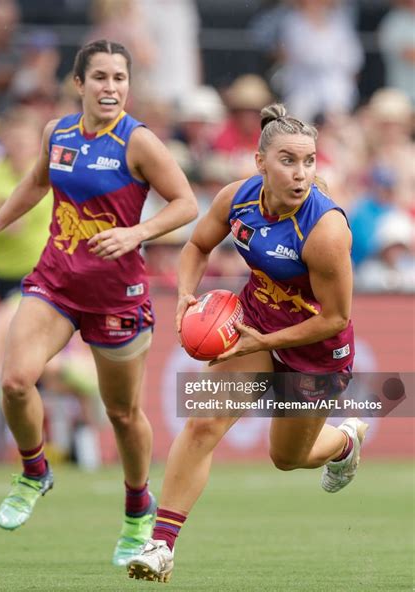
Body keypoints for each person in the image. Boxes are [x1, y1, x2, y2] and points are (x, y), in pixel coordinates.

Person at [0, 39, 198, 566]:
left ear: (128, 86)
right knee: (15, 380)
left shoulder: (139, 143)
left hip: (118, 295)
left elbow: (185, 203)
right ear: (79, 84)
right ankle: (34, 472)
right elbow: (36, 182)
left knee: (121, 412)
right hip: (57, 281)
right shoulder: (59, 132)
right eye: (100, 78)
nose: (110, 87)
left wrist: (136, 233)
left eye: (119, 78)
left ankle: (138, 507)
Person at [126, 103, 368, 582]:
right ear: (260, 162)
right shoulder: (236, 198)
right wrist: (186, 295)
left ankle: (343, 442)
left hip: (316, 352)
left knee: (287, 458)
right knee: (201, 426)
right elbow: (196, 247)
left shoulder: (325, 231)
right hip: (253, 329)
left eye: (309, 161)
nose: (301, 174)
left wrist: (269, 338)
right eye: (287, 160)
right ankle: (160, 546)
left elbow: (337, 317)